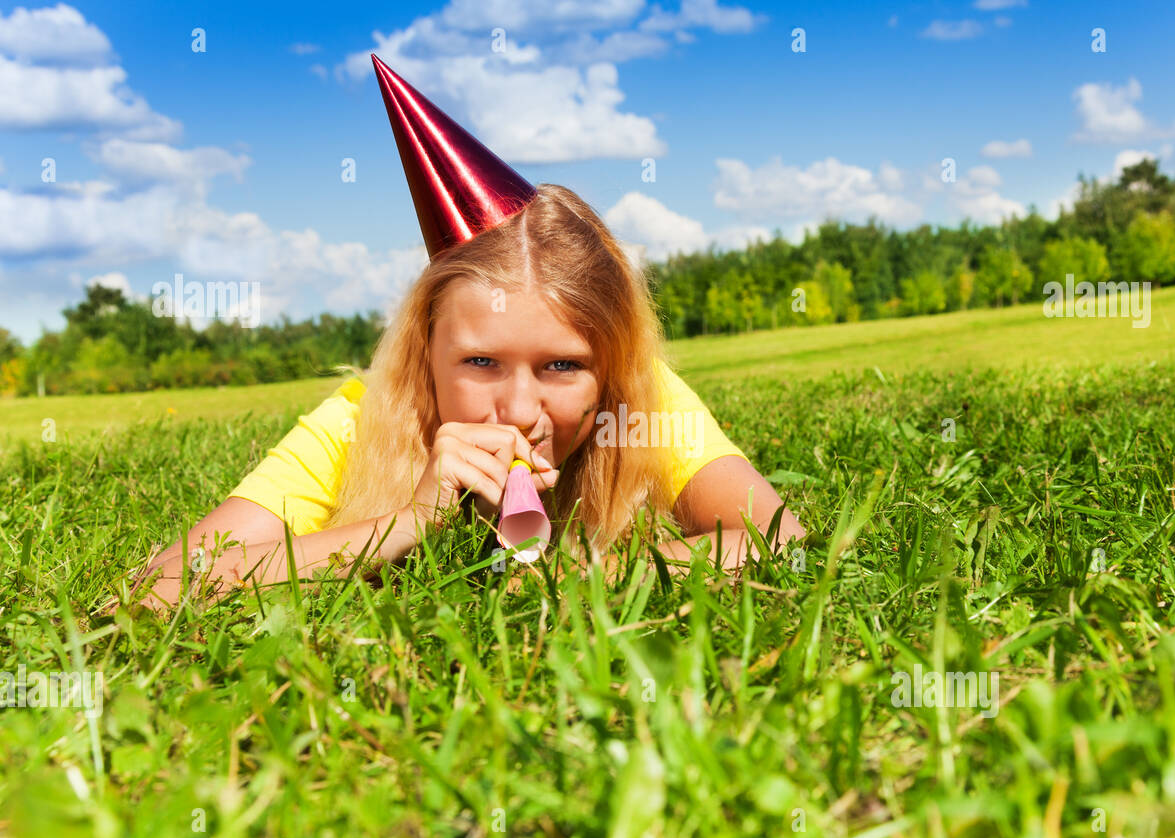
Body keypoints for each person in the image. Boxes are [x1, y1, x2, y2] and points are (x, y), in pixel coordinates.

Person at [124, 56, 804, 612]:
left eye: (563, 367)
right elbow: (158, 587)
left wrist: (584, 574)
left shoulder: (641, 402)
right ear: (427, 351)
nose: (519, 411)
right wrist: (400, 526)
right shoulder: (358, 419)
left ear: (611, 365)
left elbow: (780, 540)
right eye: (480, 361)